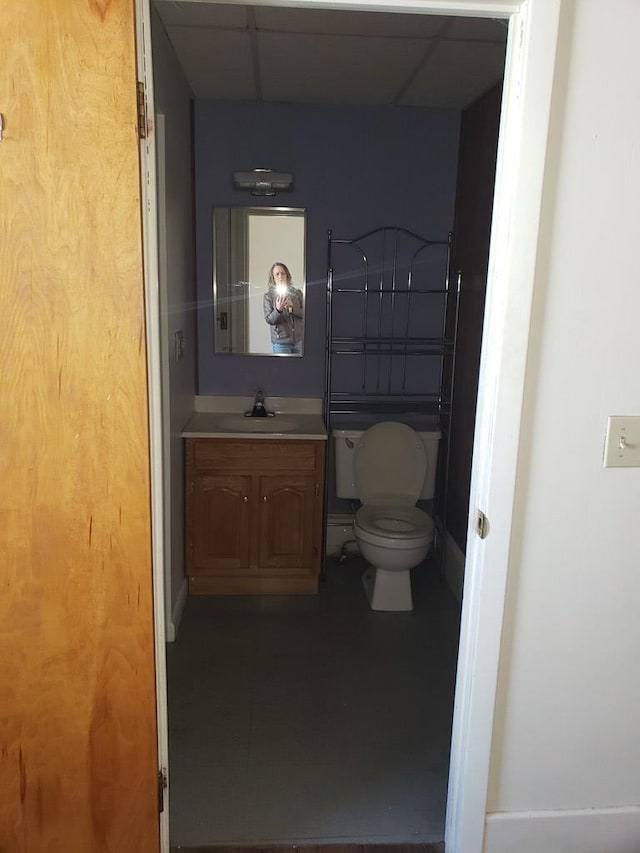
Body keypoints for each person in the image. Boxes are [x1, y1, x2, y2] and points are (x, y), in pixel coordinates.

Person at [263, 262, 304, 354]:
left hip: (299, 340)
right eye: (277, 274)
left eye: (283, 273)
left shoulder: (297, 294)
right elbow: (269, 320)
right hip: (280, 343)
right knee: (281, 368)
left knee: (301, 368)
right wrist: (278, 310)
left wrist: (292, 308)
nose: (280, 277)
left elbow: (306, 314)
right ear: (273, 278)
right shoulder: (269, 296)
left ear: (287, 275)